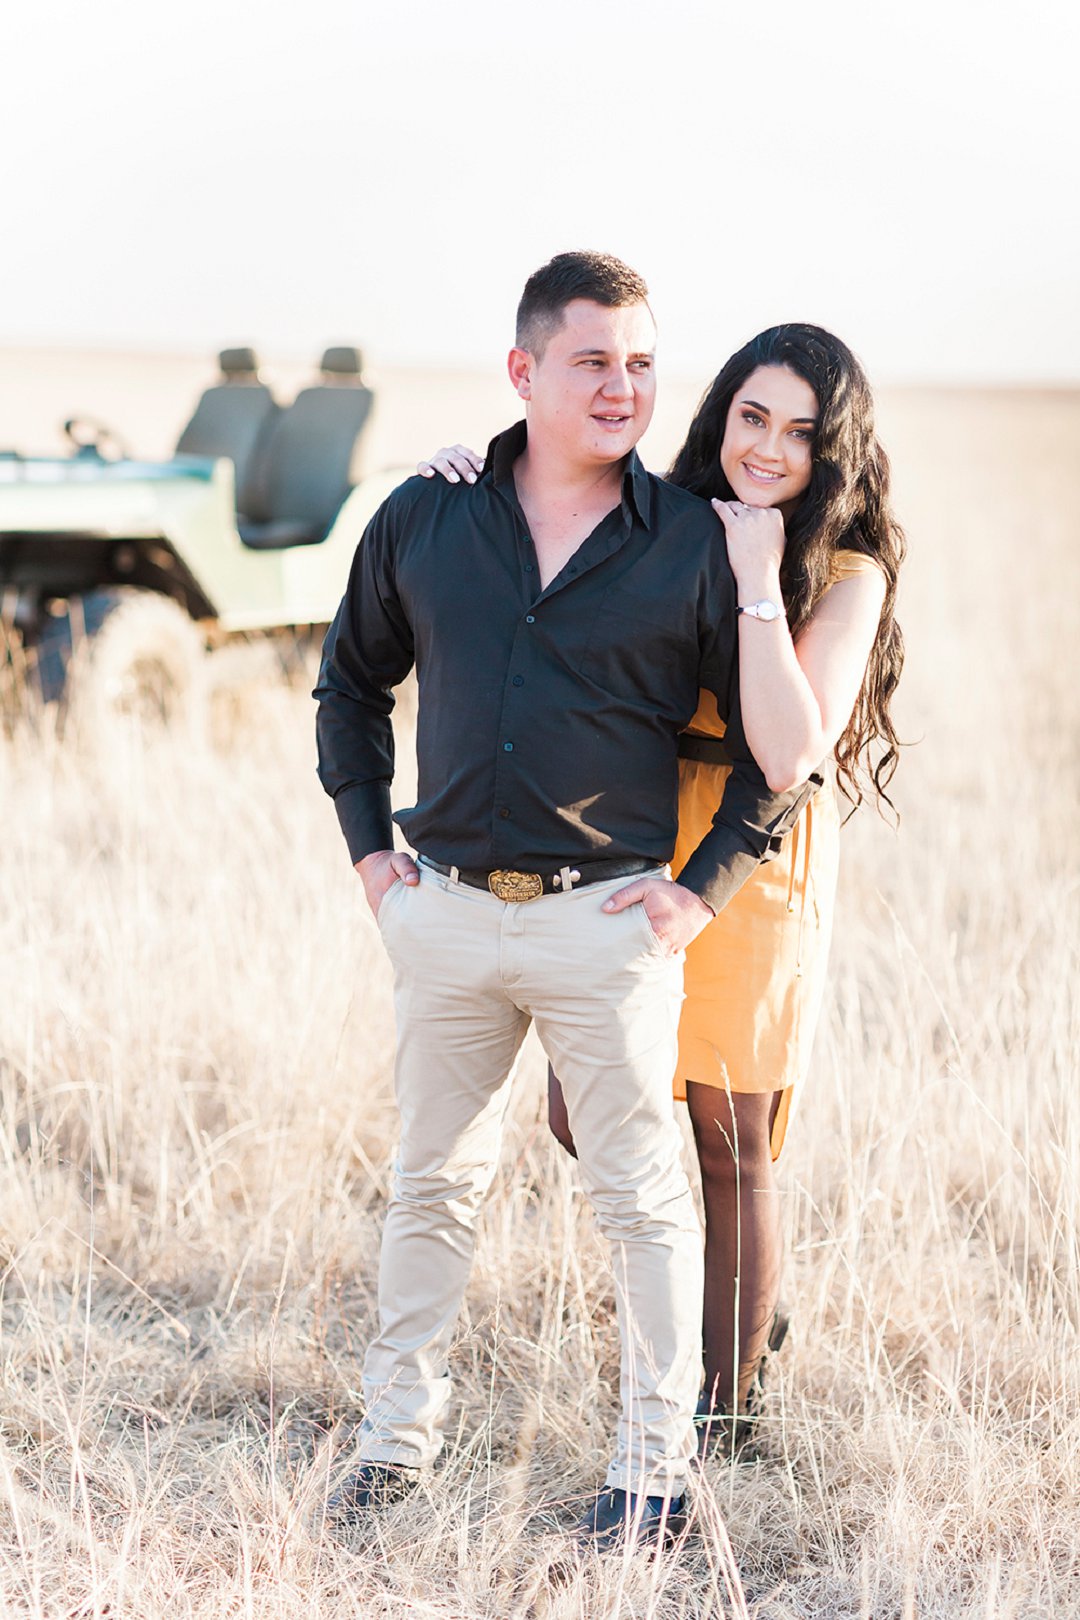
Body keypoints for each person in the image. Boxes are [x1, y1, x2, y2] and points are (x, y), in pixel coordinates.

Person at [313, 254, 815, 1548]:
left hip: (608, 927)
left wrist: (700, 897)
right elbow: (348, 686)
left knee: (641, 1206)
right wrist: (376, 860)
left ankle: (652, 1478)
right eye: (593, 360)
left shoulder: (690, 546)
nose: (624, 387)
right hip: (446, 912)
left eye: (643, 363)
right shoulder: (428, 517)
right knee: (432, 1184)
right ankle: (392, 1448)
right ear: (525, 372)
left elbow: (778, 761)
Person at [417, 321, 906, 1457]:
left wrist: (753, 577)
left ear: (833, 451)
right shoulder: (670, 517)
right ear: (719, 415)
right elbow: (554, 507)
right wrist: (467, 476)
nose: (769, 449)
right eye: (751, 417)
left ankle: (729, 1400)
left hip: (752, 856)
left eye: (799, 431)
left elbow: (789, 752)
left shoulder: (847, 573)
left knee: (731, 1132)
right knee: (586, 1109)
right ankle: (735, 1286)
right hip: (633, 842)